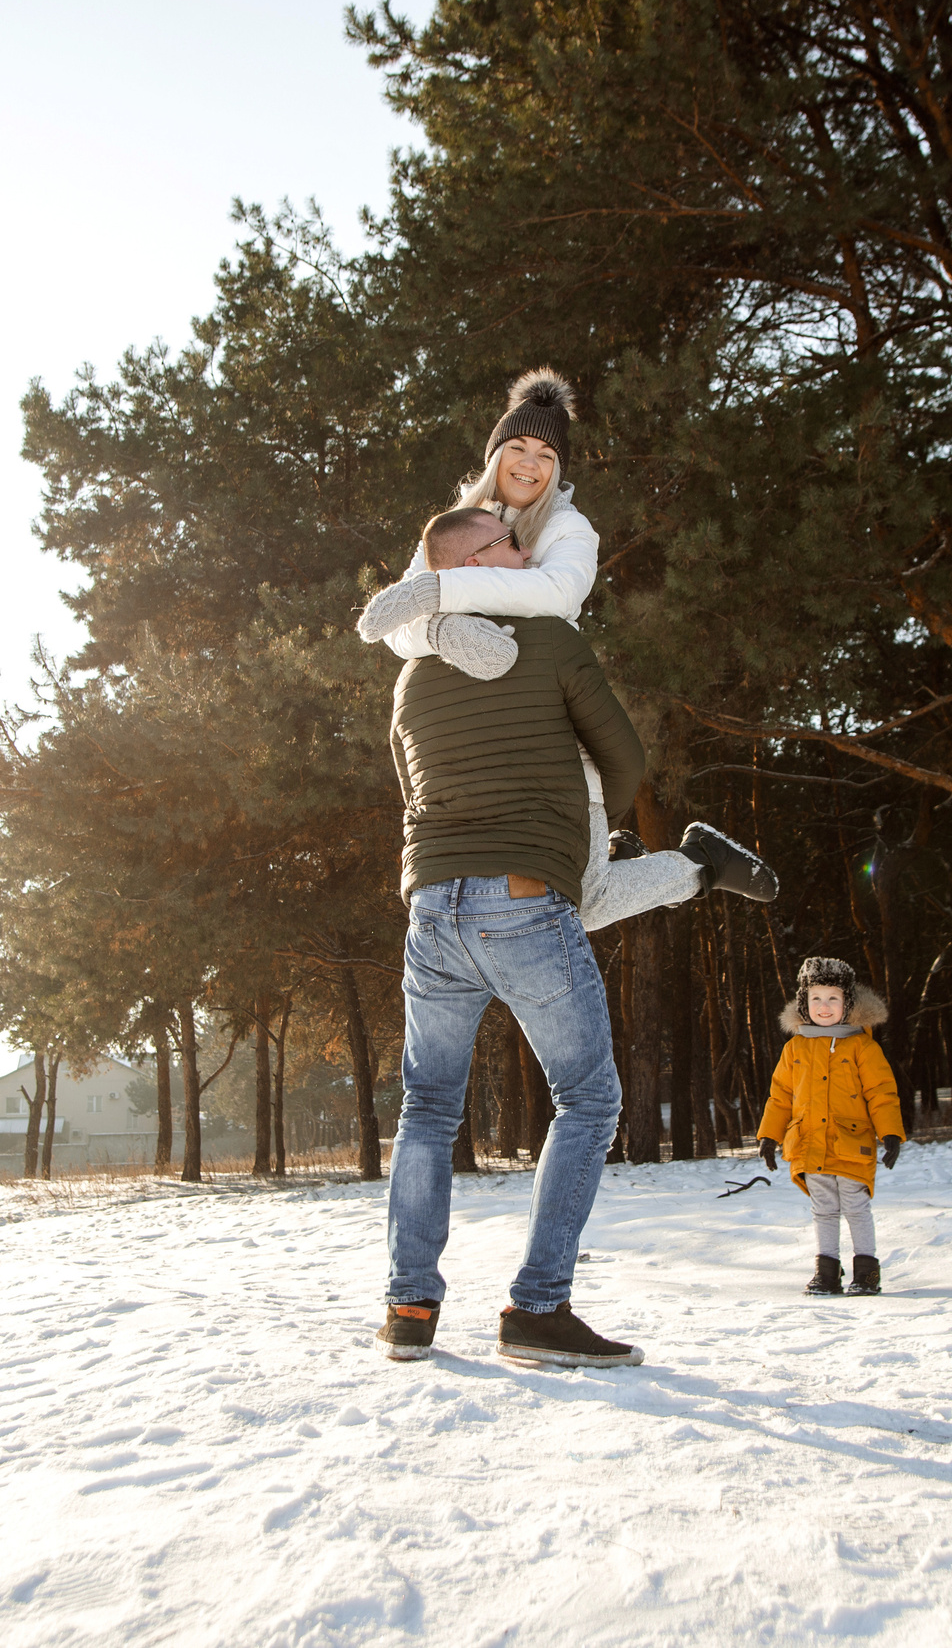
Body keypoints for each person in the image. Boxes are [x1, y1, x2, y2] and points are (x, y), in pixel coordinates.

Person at [355, 367, 776, 926]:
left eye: (547, 456)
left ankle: (701, 862)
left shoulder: (568, 527)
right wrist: (439, 631)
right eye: (518, 447)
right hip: (480, 740)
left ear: (558, 470)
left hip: (548, 721)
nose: (530, 464)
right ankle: (630, 859)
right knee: (560, 895)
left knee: (582, 903)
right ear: (495, 453)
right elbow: (395, 628)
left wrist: (439, 592)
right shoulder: (450, 525)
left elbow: (557, 593)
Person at [375, 512, 650, 1367]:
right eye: (506, 543)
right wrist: (584, 839)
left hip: (431, 907)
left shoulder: (410, 676)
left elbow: (410, 785)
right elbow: (625, 760)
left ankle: (409, 1306)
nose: (526, 553)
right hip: (524, 895)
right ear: (465, 564)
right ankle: (538, 1306)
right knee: (589, 1098)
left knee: (427, 1106)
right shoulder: (551, 640)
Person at [757, 957, 905, 1297]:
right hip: (809, 1144)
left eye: (833, 998)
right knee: (823, 1210)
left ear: (847, 1003)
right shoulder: (795, 1048)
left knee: (855, 1207)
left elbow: (881, 1092)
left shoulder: (862, 1046)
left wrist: (890, 1132)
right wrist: (769, 1135)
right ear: (804, 1003)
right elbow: (780, 1096)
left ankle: (866, 1271)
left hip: (851, 1142)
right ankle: (826, 1271)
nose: (824, 1007)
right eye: (816, 998)